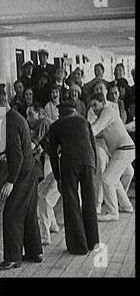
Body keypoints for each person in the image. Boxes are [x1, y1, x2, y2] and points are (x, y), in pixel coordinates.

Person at [0, 84, 42, 270]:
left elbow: (16, 157)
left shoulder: (8, 122)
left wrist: (10, 182)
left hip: (22, 173)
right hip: (30, 170)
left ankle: (12, 258)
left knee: (11, 214)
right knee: (29, 212)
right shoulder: (16, 116)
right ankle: (35, 252)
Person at [49, 103, 99, 255]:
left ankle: (79, 246)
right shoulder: (84, 121)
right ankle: (93, 242)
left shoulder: (56, 125)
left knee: (72, 204)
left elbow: (52, 154)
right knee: (89, 202)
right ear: (74, 112)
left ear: (60, 114)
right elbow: (93, 145)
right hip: (89, 162)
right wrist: (93, 167)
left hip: (69, 164)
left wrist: (58, 178)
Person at [90, 93, 134, 221]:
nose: (93, 108)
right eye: (92, 106)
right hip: (123, 150)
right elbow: (97, 132)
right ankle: (126, 206)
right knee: (114, 180)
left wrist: (79, 134)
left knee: (107, 179)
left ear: (103, 103)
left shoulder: (108, 111)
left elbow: (95, 129)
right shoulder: (104, 115)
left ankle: (113, 212)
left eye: (95, 105)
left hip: (124, 149)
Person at [26, 105, 59, 245]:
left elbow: (31, 145)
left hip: (64, 164)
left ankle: (45, 237)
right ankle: (53, 225)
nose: (28, 119)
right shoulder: (45, 125)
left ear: (40, 114)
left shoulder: (43, 122)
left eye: (30, 115)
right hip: (60, 164)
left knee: (45, 197)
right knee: (41, 191)